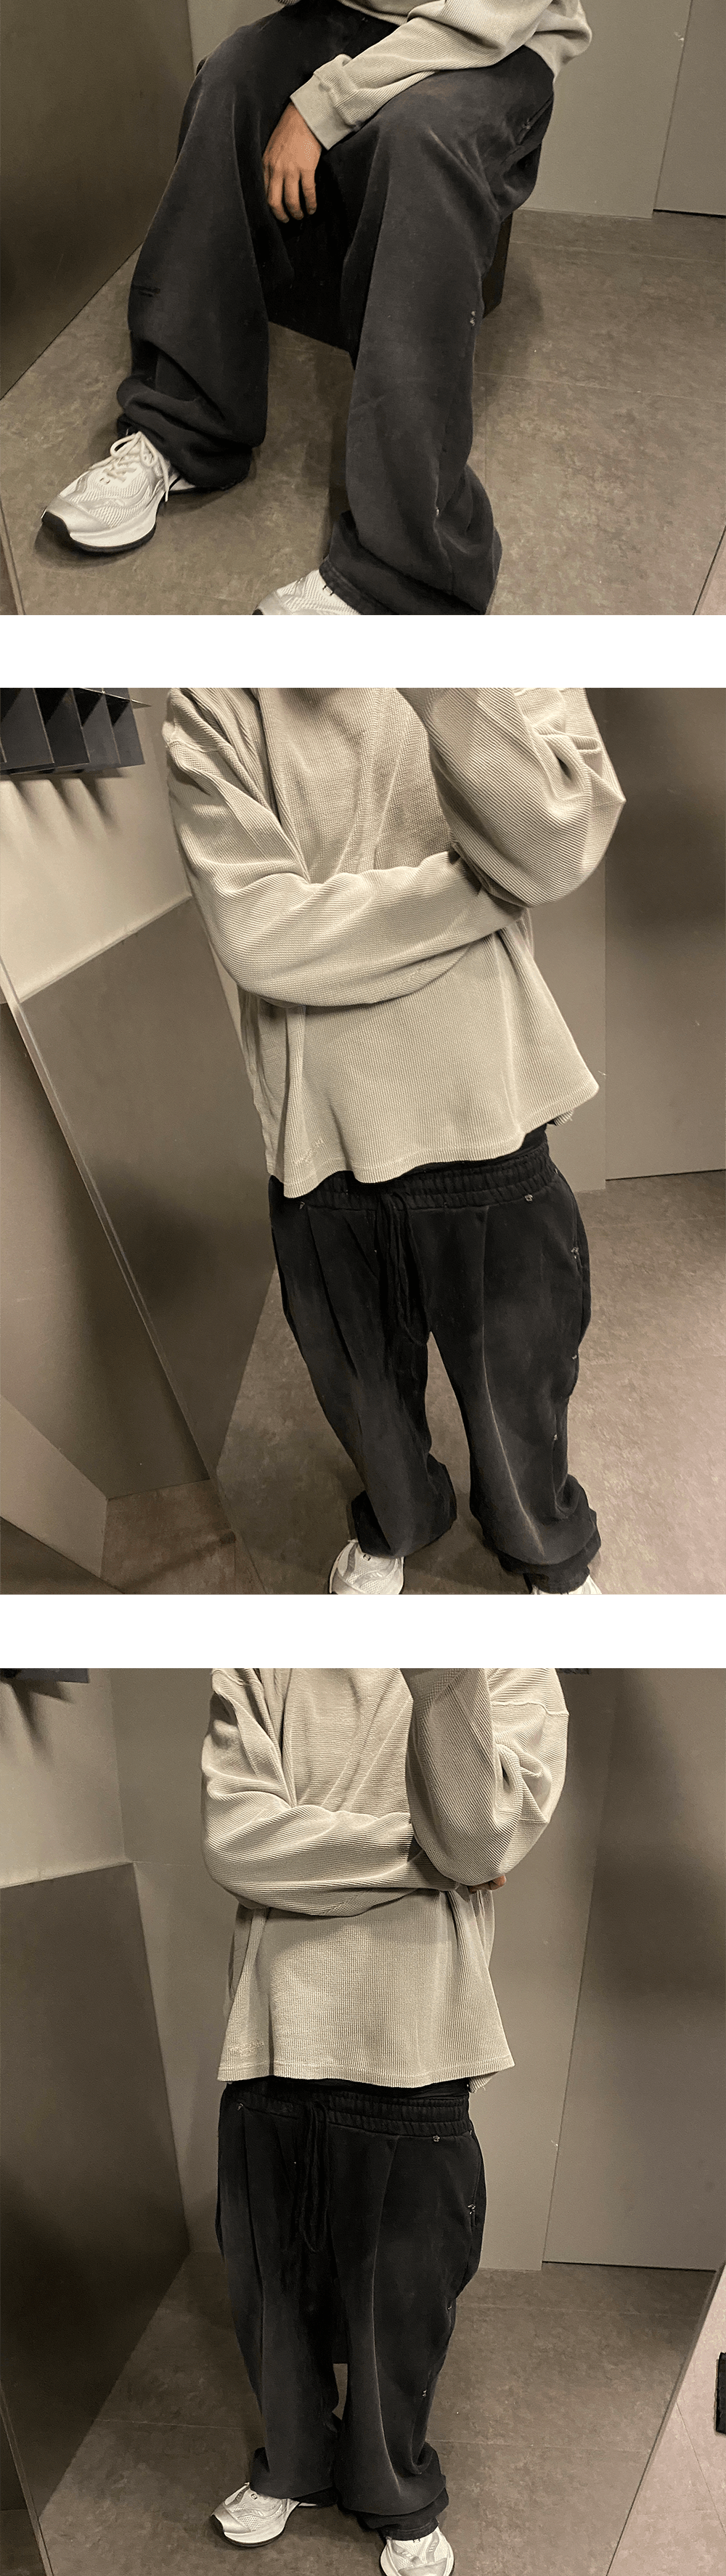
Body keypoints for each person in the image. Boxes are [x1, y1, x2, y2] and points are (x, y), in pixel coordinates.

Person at [41, 0, 619, 619]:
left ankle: (408, 571)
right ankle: (184, 430)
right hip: (347, 11)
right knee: (231, 79)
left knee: (421, 139)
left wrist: (326, 104)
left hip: (495, 40)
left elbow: (498, 1)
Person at [162, 684, 627, 1595]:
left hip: (487, 1103)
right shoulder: (212, 698)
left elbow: (556, 844)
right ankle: (400, 1522)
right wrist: (483, 887)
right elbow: (257, 937)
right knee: (361, 1387)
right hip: (323, 1127)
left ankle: (545, 1548)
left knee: (521, 1382)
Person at [201, 1664, 569, 2573]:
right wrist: (430, 1860)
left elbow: (478, 1837)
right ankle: (293, 2465)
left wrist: (450, 1847)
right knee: (270, 2296)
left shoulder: (508, 1668)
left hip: (419, 2041)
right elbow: (235, 1844)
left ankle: (395, 2490)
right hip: (272, 2033)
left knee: (400, 2310)